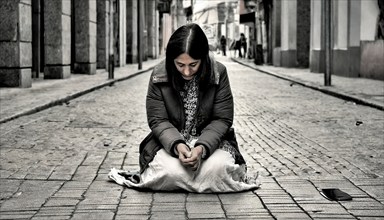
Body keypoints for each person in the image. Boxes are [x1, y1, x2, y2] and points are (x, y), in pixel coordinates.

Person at [109, 23, 259, 193]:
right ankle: (201, 182)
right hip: (169, 143)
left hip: (211, 143)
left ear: (203, 59)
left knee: (216, 168)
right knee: (171, 170)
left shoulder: (219, 73)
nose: (187, 72)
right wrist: (178, 146)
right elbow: (158, 120)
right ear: (171, 60)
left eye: (193, 65)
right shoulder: (159, 75)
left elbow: (222, 119)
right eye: (180, 65)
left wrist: (201, 148)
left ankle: (186, 180)